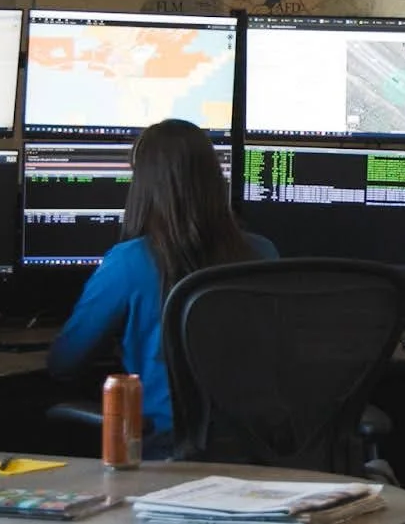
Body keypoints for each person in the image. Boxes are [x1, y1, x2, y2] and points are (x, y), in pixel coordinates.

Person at [47, 118, 277, 458]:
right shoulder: (264, 252)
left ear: (143, 185)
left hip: (165, 456)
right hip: (264, 452)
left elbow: (64, 363)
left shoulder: (129, 262)